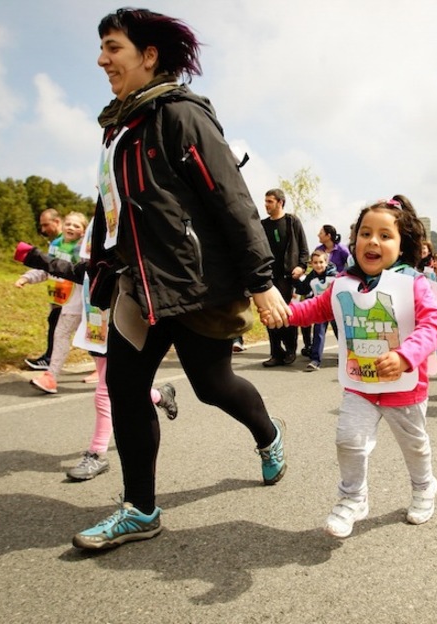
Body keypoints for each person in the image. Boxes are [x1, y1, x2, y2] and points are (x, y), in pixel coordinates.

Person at [72, 8, 291, 551]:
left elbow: (231, 199)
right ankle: (141, 509)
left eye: (113, 48)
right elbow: (112, 208)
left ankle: (268, 434)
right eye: (101, 48)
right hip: (139, 287)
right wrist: (100, 265)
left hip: (197, 287)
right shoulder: (118, 128)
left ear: (149, 56)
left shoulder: (181, 115)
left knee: (212, 387)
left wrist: (261, 281)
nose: (102, 59)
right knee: (123, 388)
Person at [267, 195, 437, 539]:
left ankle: (424, 488)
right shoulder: (343, 282)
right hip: (360, 385)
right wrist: (286, 313)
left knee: (414, 445)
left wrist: (405, 355)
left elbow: (433, 326)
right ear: (354, 240)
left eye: (384, 235)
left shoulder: (414, 283)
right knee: (349, 440)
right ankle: (353, 498)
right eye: (365, 233)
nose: (373, 241)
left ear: (402, 244)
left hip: (403, 388)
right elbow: (317, 309)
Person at [14, 236, 180, 481]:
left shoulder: (130, 243)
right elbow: (75, 270)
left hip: (121, 325)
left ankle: (97, 454)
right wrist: (32, 256)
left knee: (104, 391)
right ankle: (159, 395)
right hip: (96, 328)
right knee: (120, 388)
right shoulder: (101, 240)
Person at [15, 212, 89, 394]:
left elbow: (77, 272)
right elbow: (48, 268)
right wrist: (26, 277)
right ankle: (105, 374)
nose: (71, 227)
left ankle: (51, 377)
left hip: (80, 302)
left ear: (83, 232)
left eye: (76, 226)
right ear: (62, 226)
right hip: (68, 302)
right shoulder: (57, 248)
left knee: (63, 335)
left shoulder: (84, 252)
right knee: (92, 340)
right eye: (68, 224)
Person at [261, 188, 309, 367]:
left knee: (287, 314)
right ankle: (276, 353)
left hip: (288, 277)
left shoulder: (292, 221)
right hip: (270, 277)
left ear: (280, 202)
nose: (266, 205)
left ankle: (290, 350)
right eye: (265, 201)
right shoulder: (263, 225)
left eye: (270, 201)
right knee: (270, 315)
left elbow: (304, 247)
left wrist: (302, 266)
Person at [23, 208, 63, 371]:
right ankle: (50, 359)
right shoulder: (54, 243)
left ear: (57, 222)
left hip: (70, 295)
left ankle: (49, 360)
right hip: (57, 294)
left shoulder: (70, 241)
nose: (43, 230)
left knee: (59, 325)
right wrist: (28, 277)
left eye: (46, 225)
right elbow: (49, 268)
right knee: (55, 324)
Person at [298, 249, 338, 371]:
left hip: (335, 309)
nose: (318, 265)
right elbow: (302, 289)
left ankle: (346, 356)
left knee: (341, 333)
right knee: (318, 333)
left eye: (321, 262)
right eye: (315, 263)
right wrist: (295, 279)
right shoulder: (312, 276)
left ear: (326, 262)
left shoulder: (335, 276)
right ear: (311, 264)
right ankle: (315, 360)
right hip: (321, 309)